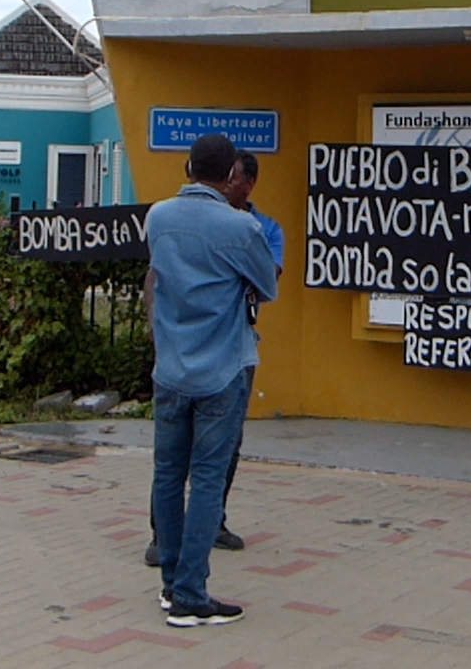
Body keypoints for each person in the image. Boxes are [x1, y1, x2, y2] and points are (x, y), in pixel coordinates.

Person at [144, 134, 277, 627]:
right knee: (206, 478)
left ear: (187, 167)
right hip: (222, 366)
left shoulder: (158, 217)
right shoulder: (240, 226)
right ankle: (191, 594)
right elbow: (267, 285)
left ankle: (170, 582)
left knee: (166, 473)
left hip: (171, 365)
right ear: (230, 176)